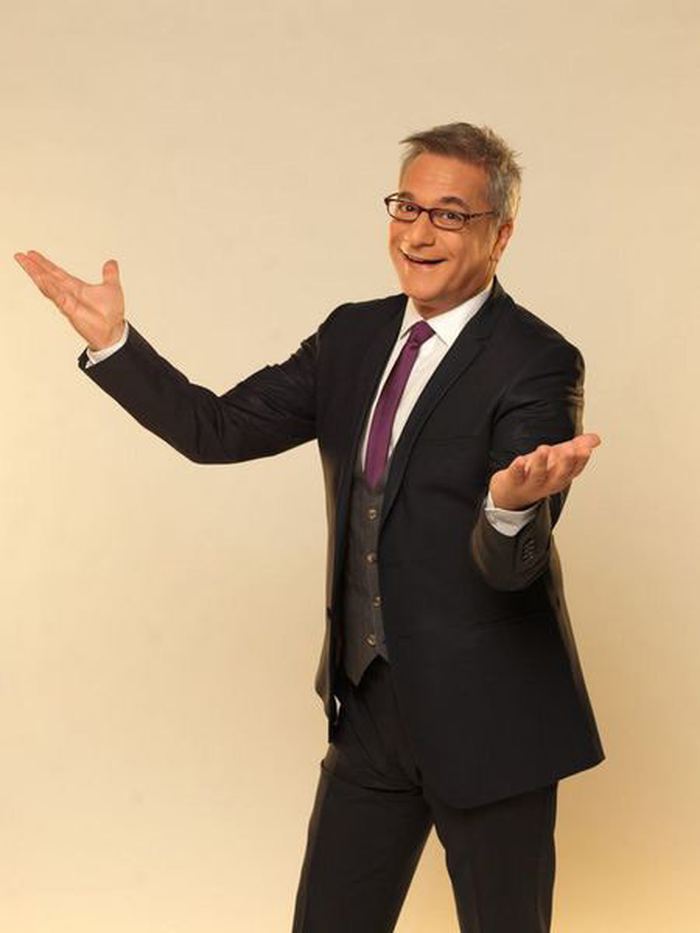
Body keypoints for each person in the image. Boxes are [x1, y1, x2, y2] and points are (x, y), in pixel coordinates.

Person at [15, 121, 605, 933]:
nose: (419, 233)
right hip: (370, 708)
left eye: (449, 214)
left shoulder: (537, 359)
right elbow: (217, 430)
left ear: (500, 234)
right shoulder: (352, 337)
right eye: (406, 206)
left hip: (490, 720)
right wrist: (117, 345)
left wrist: (508, 506)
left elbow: (510, 567)